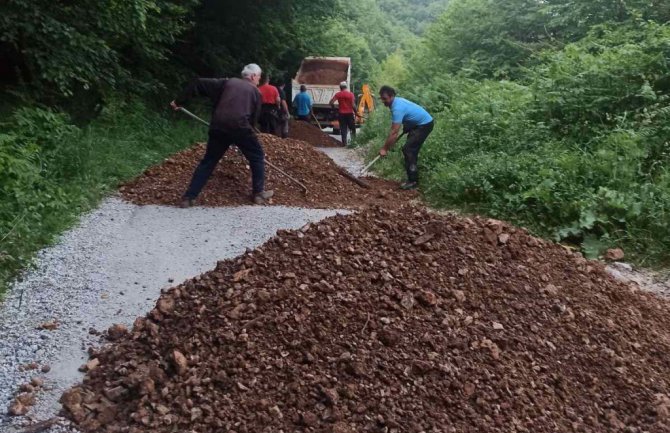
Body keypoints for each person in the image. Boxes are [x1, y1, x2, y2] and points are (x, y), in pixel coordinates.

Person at [170, 63, 274, 206]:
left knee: (209, 161)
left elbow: (198, 83)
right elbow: (253, 120)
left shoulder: (226, 82)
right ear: (253, 76)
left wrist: (178, 101)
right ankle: (258, 194)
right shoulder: (256, 92)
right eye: (259, 77)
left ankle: (188, 197)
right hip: (241, 128)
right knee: (257, 156)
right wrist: (246, 138)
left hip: (218, 127)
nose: (259, 80)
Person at [378, 85, 434, 190]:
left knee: (409, 149)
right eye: (381, 98)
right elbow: (407, 114)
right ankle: (412, 176)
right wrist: (408, 125)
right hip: (417, 124)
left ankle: (413, 181)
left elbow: (394, 132)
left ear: (392, 96)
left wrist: (384, 149)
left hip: (424, 125)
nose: (383, 101)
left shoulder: (397, 108)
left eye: (385, 98)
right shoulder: (396, 102)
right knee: (410, 149)